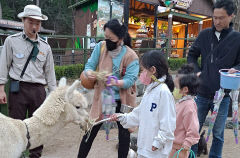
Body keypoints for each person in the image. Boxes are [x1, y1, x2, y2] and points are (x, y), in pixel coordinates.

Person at [77, 19, 139, 158]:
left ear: (121, 38)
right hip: (103, 97)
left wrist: (117, 82)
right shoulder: (101, 47)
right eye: (106, 37)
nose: (107, 41)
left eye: (111, 38)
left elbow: (130, 80)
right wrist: (89, 74)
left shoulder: (131, 56)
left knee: (124, 134)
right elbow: (89, 66)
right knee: (90, 130)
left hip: (122, 101)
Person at [0, 5, 56, 158]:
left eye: (37, 23)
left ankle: (35, 156)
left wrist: (55, 97)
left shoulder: (46, 47)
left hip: (38, 91)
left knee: (39, 127)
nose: (34, 26)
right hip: (18, 89)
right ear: (23, 21)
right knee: (15, 126)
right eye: (30, 22)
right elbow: (3, 66)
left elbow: (50, 74)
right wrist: (1, 89)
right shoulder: (11, 42)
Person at [187, 0, 240, 157]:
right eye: (214, 17)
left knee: (218, 134)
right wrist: (195, 70)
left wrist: (236, 69)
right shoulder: (204, 35)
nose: (216, 21)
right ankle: (191, 155)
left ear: (232, 16)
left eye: (221, 18)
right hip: (202, 92)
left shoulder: (237, 38)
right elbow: (192, 54)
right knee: (193, 131)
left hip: (223, 95)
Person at [111, 50, 176, 158]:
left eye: (142, 70)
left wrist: (158, 142)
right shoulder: (150, 90)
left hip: (156, 152)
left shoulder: (163, 92)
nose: (141, 74)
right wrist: (122, 117)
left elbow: (168, 123)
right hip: (144, 149)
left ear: (153, 70)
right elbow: (139, 114)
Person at [169, 64, 200, 158]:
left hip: (180, 148)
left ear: (185, 89)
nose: (174, 89)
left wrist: (188, 142)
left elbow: (193, 128)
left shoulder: (188, 106)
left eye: (176, 87)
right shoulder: (180, 103)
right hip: (172, 146)